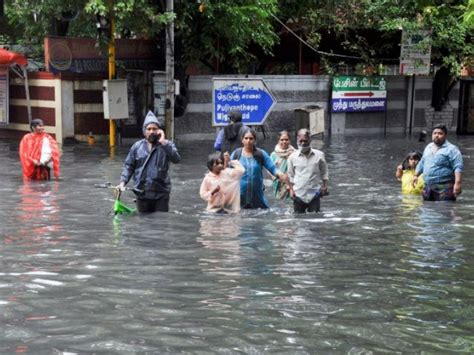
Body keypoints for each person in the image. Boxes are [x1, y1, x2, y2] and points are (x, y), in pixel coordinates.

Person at [117, 114, 181, 213]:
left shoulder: (167, 145)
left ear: (159, 130)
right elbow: (129, 166)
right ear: (144, 131)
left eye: (154, 129)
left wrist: (163, 142)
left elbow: (176, 159)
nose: (151, 131)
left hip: (161, 193)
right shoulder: (137, 147)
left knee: (160, 222)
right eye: (149, 129)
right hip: (142, 193)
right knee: (143, 224)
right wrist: (122, 183)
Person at [230, 129, 286, 209]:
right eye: (246, 138)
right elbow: (227, 172)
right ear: (242, 140)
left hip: (257, 198)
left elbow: (272, 168)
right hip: (238, 198)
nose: (248, 141)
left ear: (255, 140)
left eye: (251, 138)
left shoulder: (261, 154)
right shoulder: (236, 154)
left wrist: (280, 174)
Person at [414, 124, 463, 201]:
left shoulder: (452, 149)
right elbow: (422, 162)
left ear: (445, 135)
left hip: (445, 187)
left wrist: (458, 183)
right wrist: (416, 175)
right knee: (426, 210)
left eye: (440, 133)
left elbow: (458, 167)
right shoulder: (428, 147)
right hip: (428, 186)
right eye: (435, 133)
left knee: (444, 210)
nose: (437, 135)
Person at [287, 128, 329, 213]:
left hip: (314, 194)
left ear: (309, 140)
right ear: (297, 140)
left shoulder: (319, 155)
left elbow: (324, 172)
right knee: (298, 220)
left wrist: (325, 186)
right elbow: (290, 175)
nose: (303, 143)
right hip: (298, 194)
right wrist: (291, 190)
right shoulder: (292, 157)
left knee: (314, 220)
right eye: (300, 141)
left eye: (305, 141)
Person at [270, 130, 296, 200]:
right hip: (278, 183)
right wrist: (277, 177)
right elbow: (269, 169)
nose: (284, 142)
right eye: (282, 140)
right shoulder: (273, 155)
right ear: (278, 141)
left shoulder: (295, 154)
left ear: (289, 141)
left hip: (292, 184)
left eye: (286, 139)